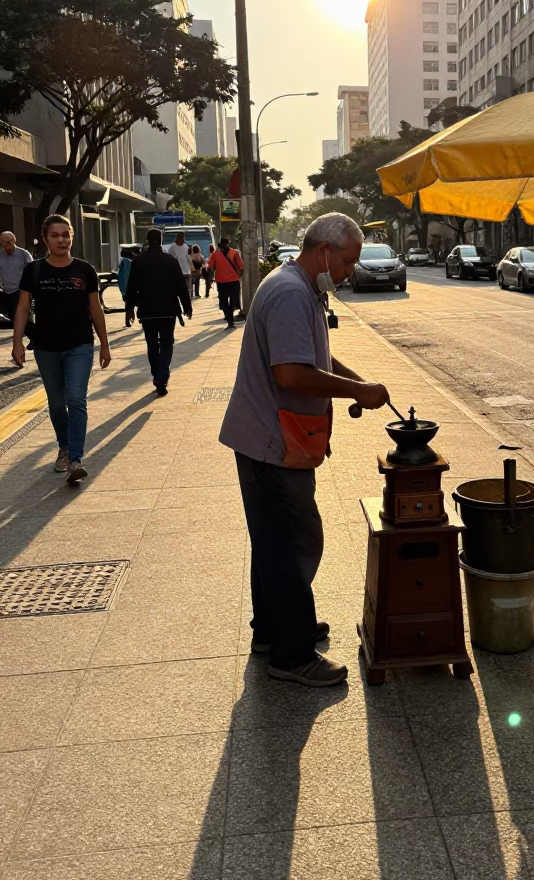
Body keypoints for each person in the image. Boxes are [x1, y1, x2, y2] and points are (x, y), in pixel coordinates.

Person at [219, 212, 391, 688]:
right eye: (347, 261)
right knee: (294, 542)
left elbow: (313, 356)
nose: (350, 271)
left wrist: (355, 380)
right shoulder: (293, 292)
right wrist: (357, 394)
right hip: (271, 440)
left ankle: (272, 629)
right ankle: (292, 655)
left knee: (274, 540)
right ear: (323, 252)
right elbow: (291, 373)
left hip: (269, 437)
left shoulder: (300, 286)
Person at [13, 214, 111, 484]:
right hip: (46, 347)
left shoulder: (85, 270)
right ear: (45, 239)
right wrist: (17, 341)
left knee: (76, 399)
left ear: (72, 237)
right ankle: (64, 447)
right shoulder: (33, 271)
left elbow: (95, 308)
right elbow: (22, 307)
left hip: (80, 344)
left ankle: (76, 458)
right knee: (56, 404)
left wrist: (104, 344)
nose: (61, 240)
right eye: (55, 235)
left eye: (65, 235)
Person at [124, 229, 192, 396]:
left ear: (147, 240)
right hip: (168, 310)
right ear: (161, 240)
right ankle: (163, 374)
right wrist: (187, 307)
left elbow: (131, 287)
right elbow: (181, 286)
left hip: (147, 311)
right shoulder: (170, 260)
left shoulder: (138, 261)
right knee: (167, 343)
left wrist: (129, 310)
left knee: (152, 344)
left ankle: (157, 375)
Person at [209, 236, 243, 328]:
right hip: (234, 280)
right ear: (228, 243)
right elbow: (241, 265)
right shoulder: (234, 252)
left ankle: (229, 320)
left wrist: (210, 278)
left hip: (221, 281)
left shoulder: (216, 254)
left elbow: (211, 266)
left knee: (224, 302)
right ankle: (231, 319)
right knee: (233, 301)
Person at [0, 230, 33, 325]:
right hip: (6, 291)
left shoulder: (24, 254)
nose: (3, 244)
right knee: (11, 315)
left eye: (5, 242)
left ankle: (31, 336)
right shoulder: (1, 256)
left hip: (20, 291)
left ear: (13, 241)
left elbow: (32, 271)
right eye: (1, 242)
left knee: (19, 315)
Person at [168, 231, 192, 296]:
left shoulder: (185, 246)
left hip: (185, 270)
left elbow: (189, 258)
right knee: (181, 286)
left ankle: (186, 295)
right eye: (180, 239)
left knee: (185, 287)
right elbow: (170, 256)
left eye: (182, 239)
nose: (182, 240)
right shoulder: (173, 246)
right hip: (178, 270)